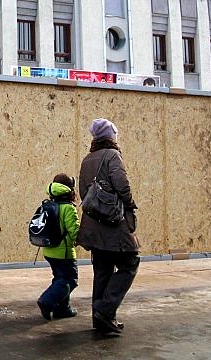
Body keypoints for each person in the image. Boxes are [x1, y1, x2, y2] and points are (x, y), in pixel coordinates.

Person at [77, 118, 139, 335]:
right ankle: (105, 309)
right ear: (110, 137)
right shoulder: (112, 155)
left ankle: (101, 319)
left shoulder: (87, 159)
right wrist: (130, 203)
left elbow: (85, 193)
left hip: (93, 223)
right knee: (130, 262)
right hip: (113, 223)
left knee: (102, 270)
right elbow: (122, 185)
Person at [36, 173, 81, 321]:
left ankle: (63, 309)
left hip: (49, 250)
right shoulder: (68, 208)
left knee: (60, 278)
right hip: (64, 253)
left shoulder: (48, 204)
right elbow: (74, 231)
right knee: (70, 280)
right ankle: (47, 301)